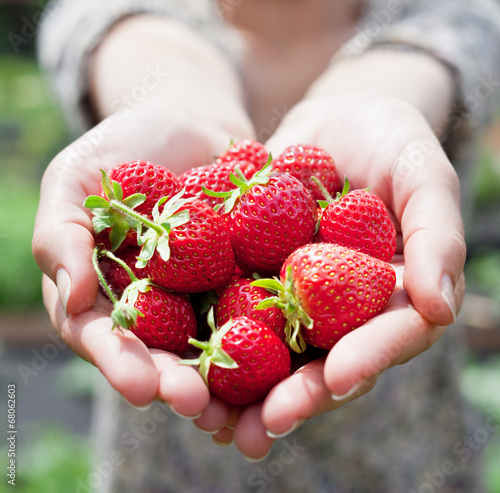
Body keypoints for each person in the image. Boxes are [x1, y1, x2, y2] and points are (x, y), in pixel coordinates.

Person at [33, 0, 500, 491]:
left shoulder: (456, 12)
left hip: (406, 464)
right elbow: (127, 32)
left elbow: (429, 51)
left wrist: (373, 101)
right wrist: (172, 103)